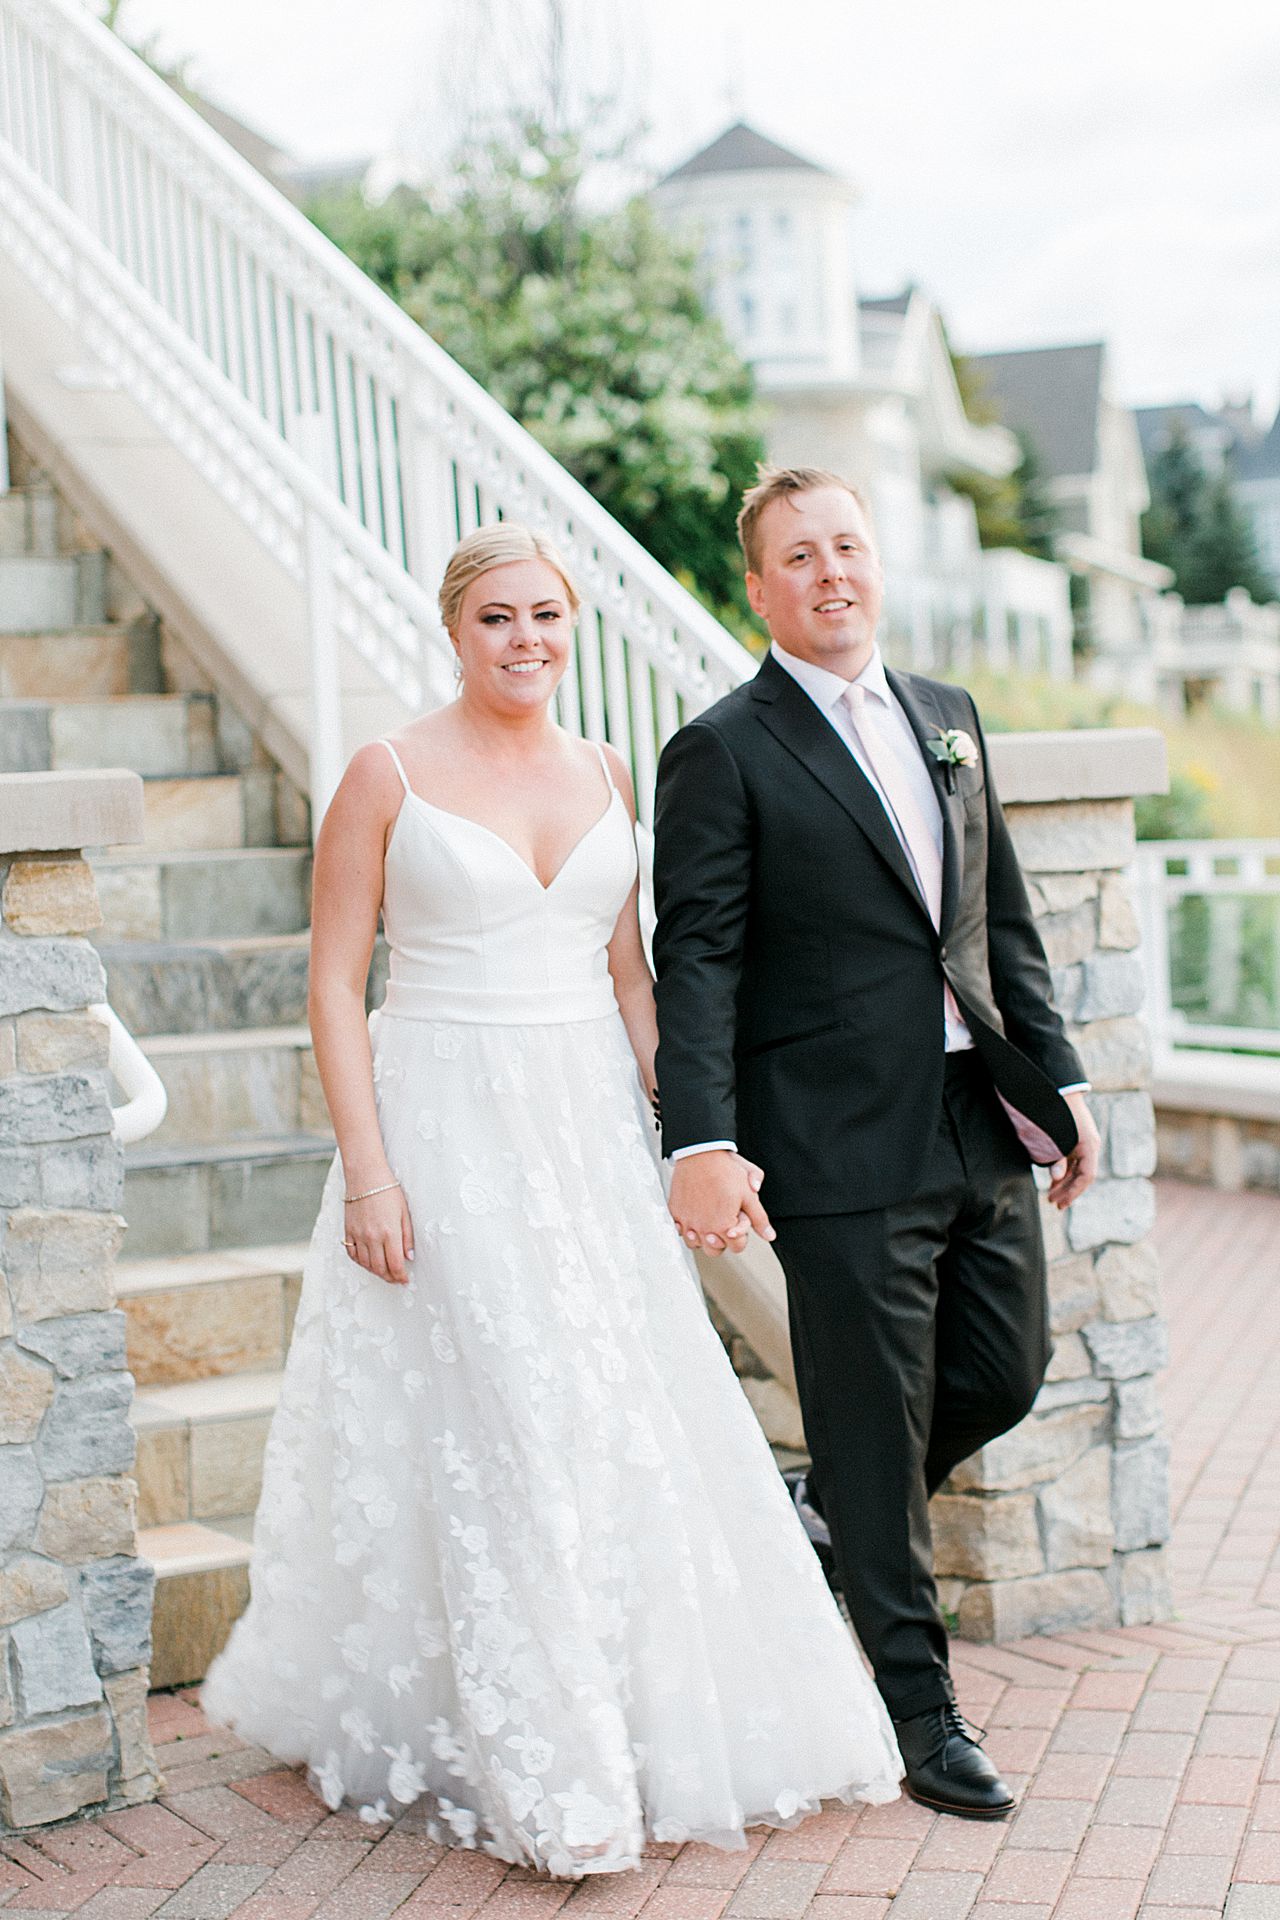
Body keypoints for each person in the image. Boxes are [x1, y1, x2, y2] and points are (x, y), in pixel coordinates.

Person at [202, 522, 902, 1876]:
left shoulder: (606, 770)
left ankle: (638, 1717)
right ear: (454, 632)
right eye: (497, 619)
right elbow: (334, 986)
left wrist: (694, 1140)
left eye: (545, 617)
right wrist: (370, 1172)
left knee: (608, 1415)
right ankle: (552, 1761)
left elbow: (631, 979)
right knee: (511, 1421)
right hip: (445, 1124)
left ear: (569, 628)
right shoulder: (386, 772)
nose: (525, 641)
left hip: (585, 1136)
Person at [651, 467, 1101, 1820]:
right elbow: (700, 961)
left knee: (1004, 1370)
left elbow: (998, 921)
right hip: (834, 1141)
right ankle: (922, 1715)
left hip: (976, 1117)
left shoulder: (948, 716)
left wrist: (1062, 1081)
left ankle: (840, 1503)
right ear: (759, 589)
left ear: (878, 562)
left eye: (847, 544)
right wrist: (702, 1139)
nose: (830, 571)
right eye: (799, 555)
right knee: (871, 1408)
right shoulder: (723, 749)